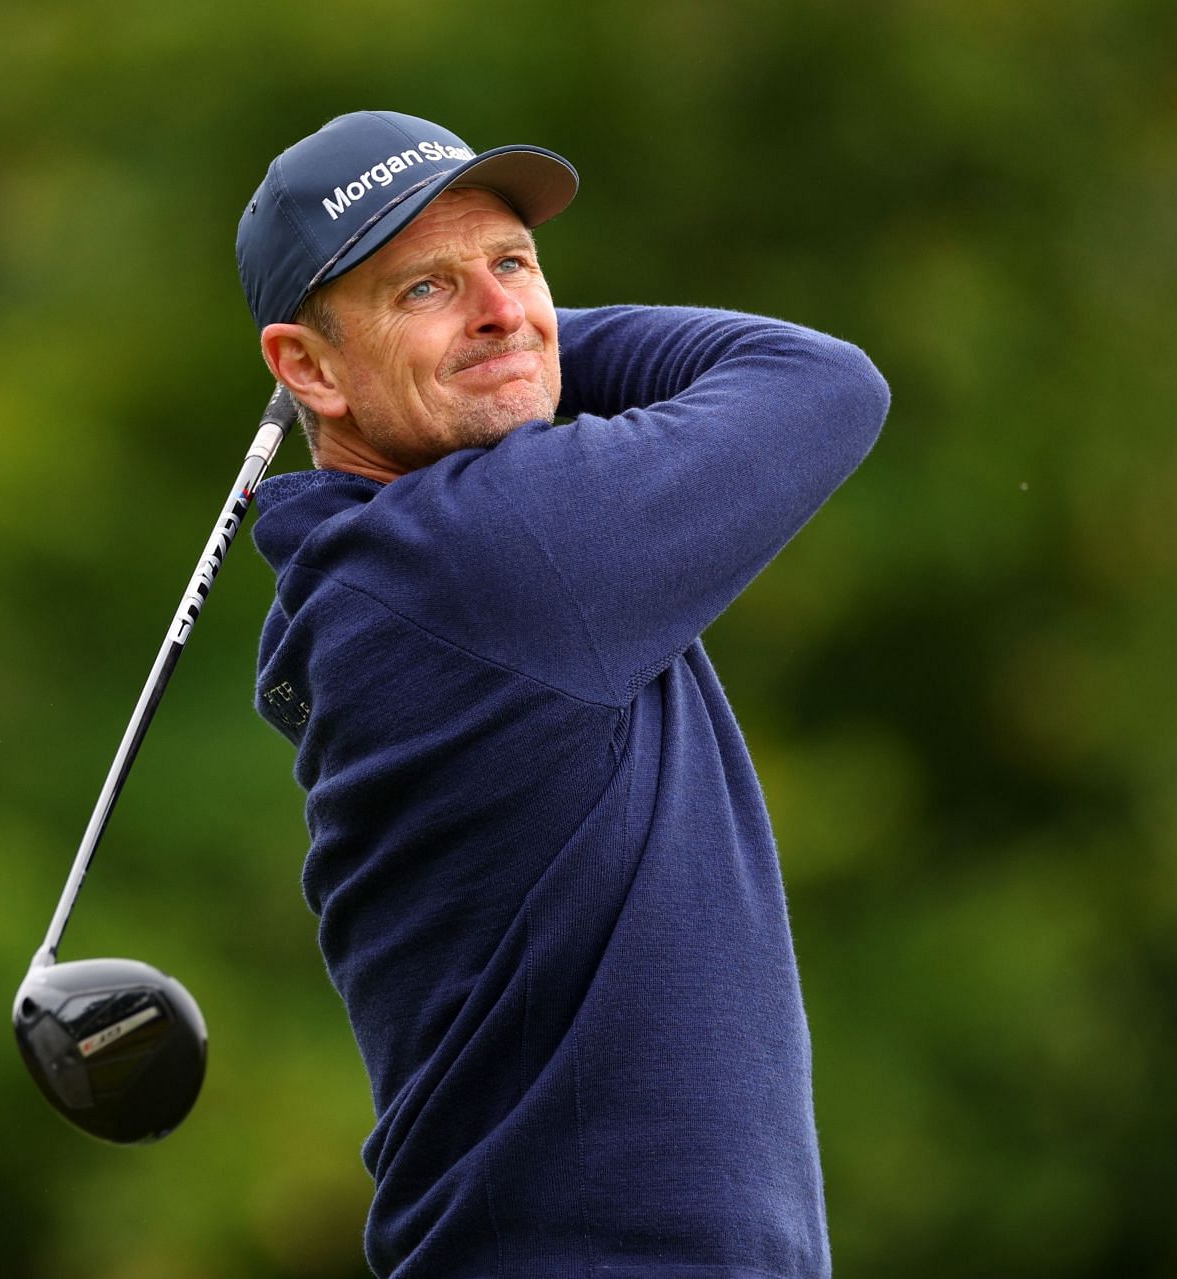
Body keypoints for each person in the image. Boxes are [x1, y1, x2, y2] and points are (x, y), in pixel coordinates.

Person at [235, 110, 889, 1278]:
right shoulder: (496, 555)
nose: (499, 307)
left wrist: (476, 343)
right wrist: (519, 348)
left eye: (515, 263)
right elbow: (821, 381)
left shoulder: (390, 567)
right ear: (305, 368)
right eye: (423, 287)